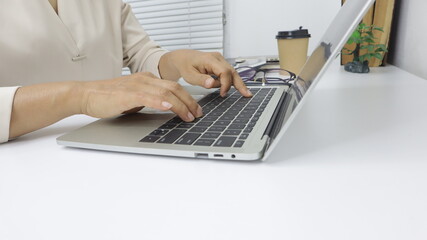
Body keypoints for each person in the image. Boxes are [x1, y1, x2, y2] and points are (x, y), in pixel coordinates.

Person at [0, 0, 252, 144]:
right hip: (25, 163)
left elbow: (140, 52)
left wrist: (177, 61)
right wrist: (82, 97)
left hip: (114, 142)